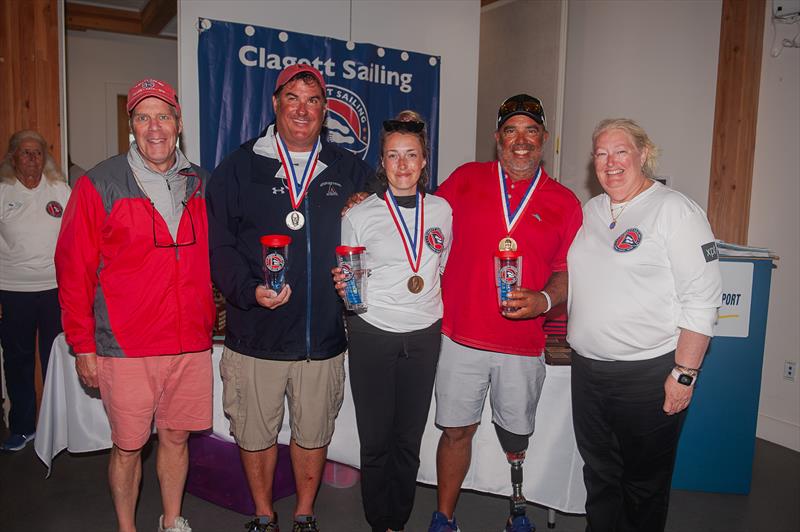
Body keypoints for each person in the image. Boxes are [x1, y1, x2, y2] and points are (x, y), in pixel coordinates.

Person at [206, 64, 374, 532]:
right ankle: (263, 515)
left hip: (320, 337)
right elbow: (218, 246)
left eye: (314, 100)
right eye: (293, 98)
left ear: (325, 110)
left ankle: (304, 514)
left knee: (313, 432)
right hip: (255, 334)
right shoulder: (238, 168)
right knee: (255, 433)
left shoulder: (349, 169)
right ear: (276, 104)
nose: (303, 109)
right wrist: (248, 291)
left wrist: (369, 203)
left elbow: (391, 217)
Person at [55, 78, 215, 532]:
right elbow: (73, 270)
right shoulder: (98, 183)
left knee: (176, 437)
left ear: (178, 123)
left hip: (188, 344)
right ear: (132, 127)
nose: (154, 127)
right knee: (127, 446)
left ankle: (172, 519)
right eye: (143, 117)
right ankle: (127, 527)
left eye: (163, 115)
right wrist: (83, 344)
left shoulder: (202, 182)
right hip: (126, 347)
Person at [428, 95, 583, 532]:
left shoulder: (565, 202)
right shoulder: (465, 179)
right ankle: (444, 516)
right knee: (456, 431)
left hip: (522, 344)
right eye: (511, 130)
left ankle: (517, 507)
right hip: (461, 337)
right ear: (497, 138)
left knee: (517, 437)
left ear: (544, 140)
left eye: (530, 131)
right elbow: (423, 225)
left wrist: (545, 300)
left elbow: (568, 271)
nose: (520, 141)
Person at [567, 118, 722, 532]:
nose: (610, 162)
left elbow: (702, 299)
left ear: (643, 155)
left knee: (642, 486)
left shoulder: (675, 210)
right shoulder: (592, 211)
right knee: (599, 477)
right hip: (588, 372)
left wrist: (685, 374)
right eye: (601, 153)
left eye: (620, 151)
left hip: (648, 374)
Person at [334, 111, 452, 532]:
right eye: (392, 156)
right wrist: (343, 285)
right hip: (373, 332)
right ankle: (377, 520)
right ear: (381, 163)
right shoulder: (360, 214)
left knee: (409, 437)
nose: (402, 165)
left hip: (424, 332)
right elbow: (348, 278)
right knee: (376, 438)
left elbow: (442, 267)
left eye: (411, 156)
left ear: (423, 163)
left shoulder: (441, 211)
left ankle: (397, 521)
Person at [0, 130, 70, 451]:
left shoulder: (60, 190)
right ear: (13, 157)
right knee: (18, 360)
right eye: (25, 153)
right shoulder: (3, 192)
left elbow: (76, 236)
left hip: (55, 290)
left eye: (37, 153)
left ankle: (62, 428)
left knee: (58, 358)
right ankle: (23, 427)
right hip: (12, 291)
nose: (32, 159)